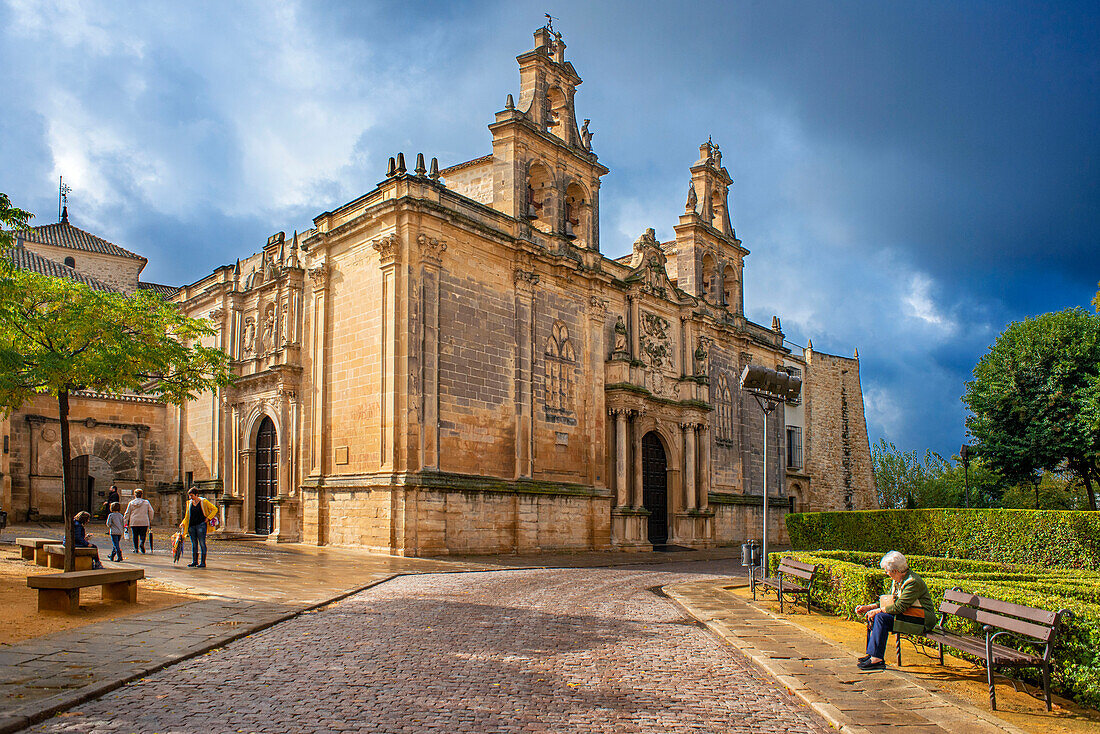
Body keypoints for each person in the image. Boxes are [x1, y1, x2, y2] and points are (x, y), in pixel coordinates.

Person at [853, 550, 937, 671]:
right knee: (876, 616)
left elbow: (899, 607)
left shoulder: (912, 582)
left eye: (887, 571)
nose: (887, 574)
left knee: (881, 617)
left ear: (895, 571)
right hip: (911, 614)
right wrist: (870, 607)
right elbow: (892, 602)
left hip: (922, 620)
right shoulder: (900, 579)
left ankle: (876, 658)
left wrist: (877, 611)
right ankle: (872, 654)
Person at [180, 488, 219, 568]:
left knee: (202, 543)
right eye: (189, 496)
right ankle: (194, 561)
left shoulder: (204, 502)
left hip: (201, 525)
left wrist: (209, 518)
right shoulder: (189, 503)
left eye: (192, 496)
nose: (190, 498)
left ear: (196, 495)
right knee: (194, 544)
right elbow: (187, 516)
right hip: (191, 526)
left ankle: (203, 562)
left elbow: (215, 509)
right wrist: (183, 523)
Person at [124, 488, 155, 554]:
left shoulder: (131, 503)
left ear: (134, 495)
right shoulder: (146, 502)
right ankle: (141, 543)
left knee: (135, 535)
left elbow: (127, 513)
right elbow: (151, 511)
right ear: (141, 495)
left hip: (134, 521)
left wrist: (125, 522)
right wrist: (150, 519)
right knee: (143, 535)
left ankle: (136, 548)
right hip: (144, 521)